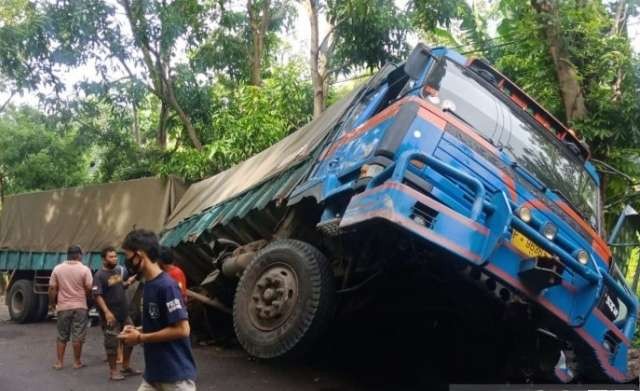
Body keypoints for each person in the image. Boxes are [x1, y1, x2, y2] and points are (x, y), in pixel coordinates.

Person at [118, 229, 197, 391]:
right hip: (154, 376)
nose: (127, 263)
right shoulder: (148, 284)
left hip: (175, 378)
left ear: (139, 255)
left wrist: (139, 337)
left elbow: (182, 330)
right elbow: (158, 323)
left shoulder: (167, 286)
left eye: (128, 257)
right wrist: (135, 330)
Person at [92, 246, 141, 380]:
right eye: (111, 257)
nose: (115, 258)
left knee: (131, 338)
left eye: (115, 256)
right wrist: (107, 312)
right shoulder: (99, 275)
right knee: (112, 344)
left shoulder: (118, 271)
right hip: (110, 316)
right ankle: (113, 371)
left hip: (124, 314)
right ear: (103, 259)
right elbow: (97, 295)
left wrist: (130, 281)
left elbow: (120, 286)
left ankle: (125, 367)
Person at [48, 245, 93, 370]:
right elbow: (89, 288)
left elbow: (52, 288)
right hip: (80, 306)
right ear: (79, 255)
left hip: (63, 306)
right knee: (78, 335)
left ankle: (59, 362)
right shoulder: (85, 269)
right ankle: (77, 362)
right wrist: (88, 299)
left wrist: (52, 304)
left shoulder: (57, 269)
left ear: (68, 255)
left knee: (62, 335)